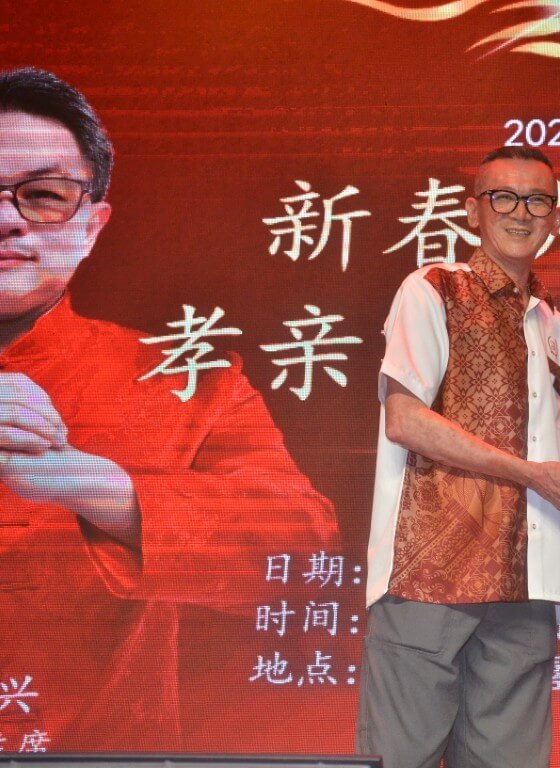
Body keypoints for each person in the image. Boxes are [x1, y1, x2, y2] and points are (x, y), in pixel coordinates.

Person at [0, 67, 339, 749]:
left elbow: (304, 555)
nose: (7, 219)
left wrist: (91, 483)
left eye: (43, 195)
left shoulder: (189, 378)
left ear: (93, 226)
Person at [358, 146, 560, 768]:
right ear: (473, 211)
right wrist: (533, 473)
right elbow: (405, 419)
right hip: (430, 572)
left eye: (538, 200)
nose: (521, 212)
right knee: (401, 758)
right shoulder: (434, 288)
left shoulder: (556, 326)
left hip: (529, 580)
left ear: (556, 217)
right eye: (504, 197)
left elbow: (548, 456)